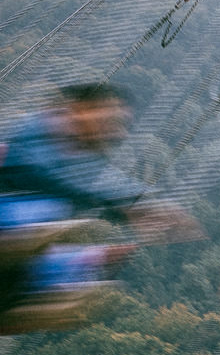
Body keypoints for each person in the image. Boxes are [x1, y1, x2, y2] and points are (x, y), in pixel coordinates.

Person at [0, 80, 199, 332]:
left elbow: (92, 179)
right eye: (112, 119)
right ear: (81, 109)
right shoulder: (41, 130)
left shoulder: (78, 158)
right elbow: (51, 174)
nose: (118, 133)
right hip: (9, 218)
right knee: (43, 217)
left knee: (66, 270)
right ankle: (40, 256)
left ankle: (31, 296)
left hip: (19, 264)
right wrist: (133, 203)